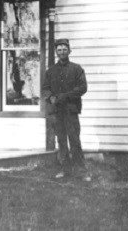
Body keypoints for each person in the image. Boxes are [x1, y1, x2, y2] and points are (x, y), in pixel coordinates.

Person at [42, 37, 89, 181]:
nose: (62, 52)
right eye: (59, 50)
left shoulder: (77, 69)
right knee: (61, 141)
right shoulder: (50, 71)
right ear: (56, 52)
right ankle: (65, 170)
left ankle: (81, 172)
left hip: (71, 111)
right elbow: (45, 89)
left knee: (74, 140)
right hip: (57, 112)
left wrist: (65, 96)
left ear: (69, 51)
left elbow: (82, 88)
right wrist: (51, 98)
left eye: (64, 49)